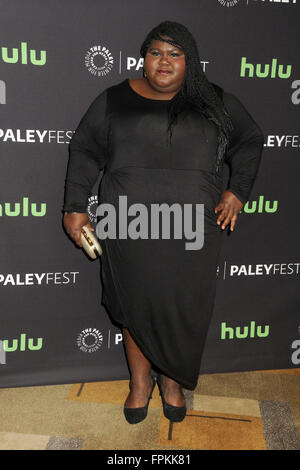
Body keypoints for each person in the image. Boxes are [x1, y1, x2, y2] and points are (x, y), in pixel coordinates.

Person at [62, 21, 264, 424]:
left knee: (183, 307)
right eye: (156, 52)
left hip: (192, 229)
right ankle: (140, 383)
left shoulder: (215, 101)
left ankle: (172, 382)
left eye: (175, 53)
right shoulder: (114, 100)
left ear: (190, 61)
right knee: (134, 305)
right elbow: (84, 151)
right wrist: (74, 206)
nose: (164, 61)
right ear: (144, 58)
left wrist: (237, 191)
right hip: (129, 225)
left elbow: (250, 140)